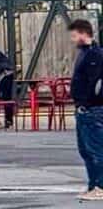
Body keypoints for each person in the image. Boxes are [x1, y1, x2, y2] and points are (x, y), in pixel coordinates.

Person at [69, 19, 103, 201]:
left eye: (75, 36)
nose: (73, 39)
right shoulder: (85, 53)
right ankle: (94, 185)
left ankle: (101, 186)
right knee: (86, 150)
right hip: (85, 108)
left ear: (83, 34)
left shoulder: (94, 55)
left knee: (96, 149)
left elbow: (94, 82)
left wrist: (88, 100)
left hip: (92, 108)